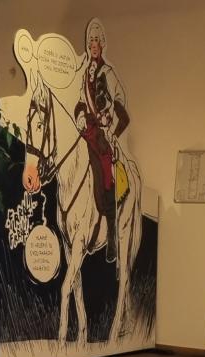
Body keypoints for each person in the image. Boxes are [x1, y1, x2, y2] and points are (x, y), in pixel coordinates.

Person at [73, 18, 129, 263]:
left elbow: (121, 106)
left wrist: (111, 129)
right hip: (88, 130)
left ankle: (112, 232)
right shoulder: (85, 74)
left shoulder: (109, 73)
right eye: (91, 41)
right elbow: (80, 102)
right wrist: (79, 116)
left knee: (106, 173)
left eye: (96, 40)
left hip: (104, 135)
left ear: (102, 44)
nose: (93, 44)